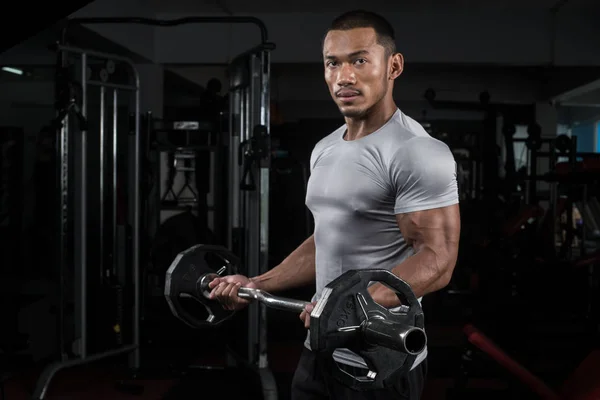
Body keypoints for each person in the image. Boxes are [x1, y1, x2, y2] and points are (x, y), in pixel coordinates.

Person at [209, 9, 461, 400]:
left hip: (381, 362)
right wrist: (256, 284)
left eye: (360, 60)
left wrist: (350, 306)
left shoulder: (417, 151)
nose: (344, 76)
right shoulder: (325, 148)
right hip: (320, 351)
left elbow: (438, 260)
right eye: (333, 63)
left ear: (393, 66)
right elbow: (327, 239)